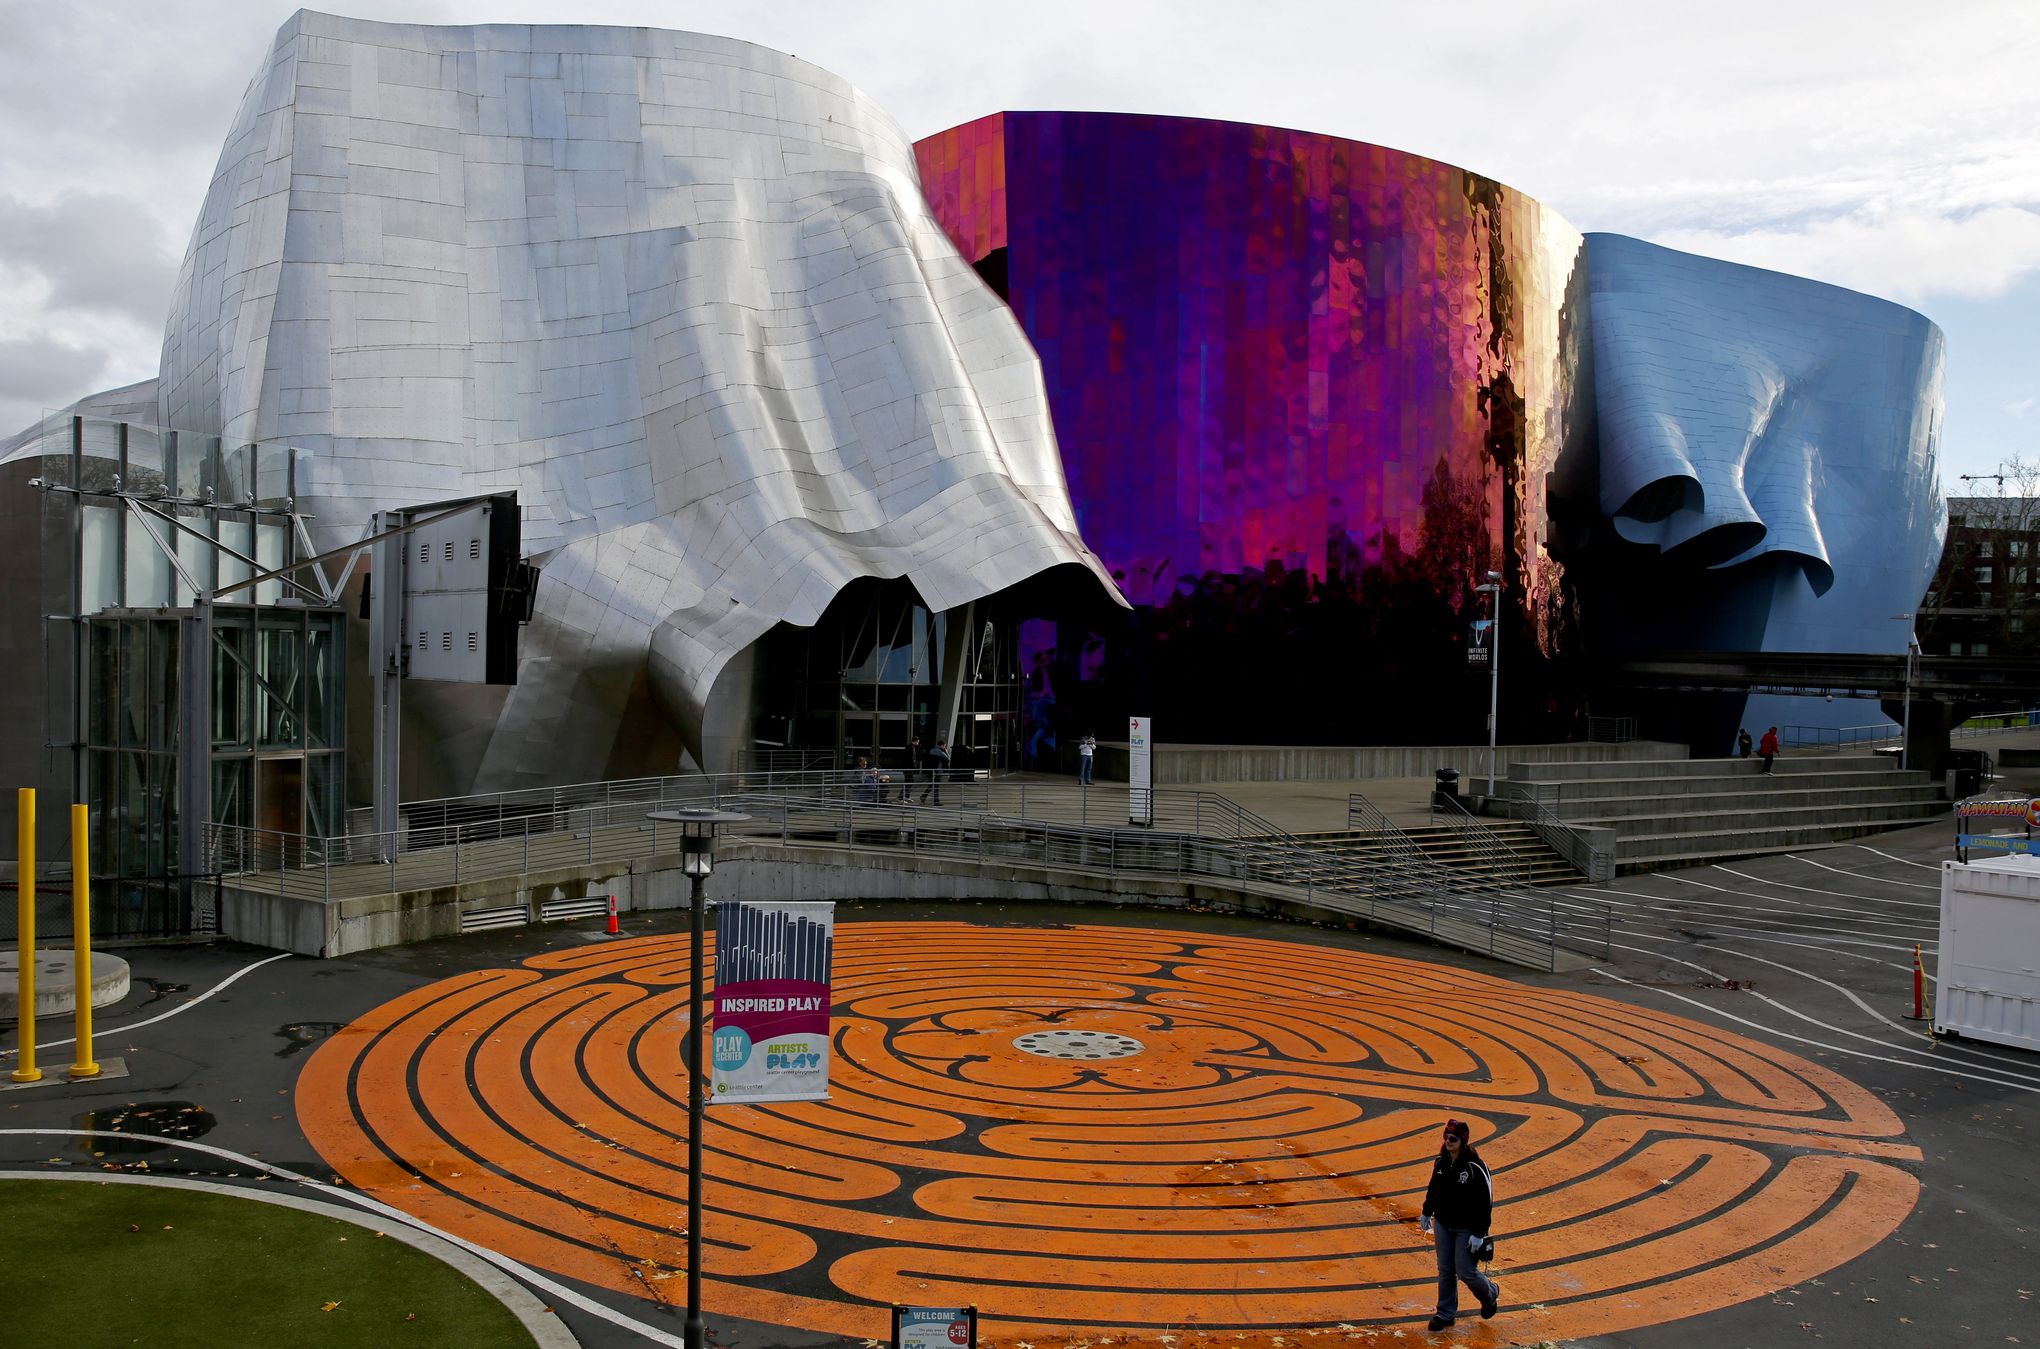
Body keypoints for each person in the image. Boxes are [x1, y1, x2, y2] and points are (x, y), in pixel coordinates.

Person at [1418, 1118, 1499, 1332]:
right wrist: (1427, 1212)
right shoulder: (1441, 1163)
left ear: (1463, 1141)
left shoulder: (1475, 1167)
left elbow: (1486, 1201)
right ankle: (1445, 1314)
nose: (1448, 1141)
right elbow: (1433, 1189)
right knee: (1445, 1269)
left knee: (1466, 1271)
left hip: (1467, 1228)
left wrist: (1479, 1233)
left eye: (1453, 1138)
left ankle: (1490, 1294)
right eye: (1446, 1137)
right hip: (1443, 1223)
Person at [921, 737, 951, 804]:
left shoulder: (931, 750)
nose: (944, 747)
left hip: (931, 770)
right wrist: (946, 751)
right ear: (942, 745)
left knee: (932, 785)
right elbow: (948, 759)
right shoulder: (940, 751)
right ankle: (936, 801)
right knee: (936, 786)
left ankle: (924, 796)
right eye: (944, 746)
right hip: (938, 771)